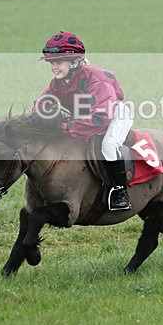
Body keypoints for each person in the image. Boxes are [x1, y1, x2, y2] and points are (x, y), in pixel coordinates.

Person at [33, 31, 134, 210]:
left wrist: (64, 127)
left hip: (113, 116)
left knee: (109, 145)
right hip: (86, 116)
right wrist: (36, 120)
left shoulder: (97, 79)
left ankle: (120, 191)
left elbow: (99, 118)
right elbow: (42, 103)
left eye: (58, 62)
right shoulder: (58, 82)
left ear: (74, 62)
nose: (53, 67)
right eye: (51, 63)